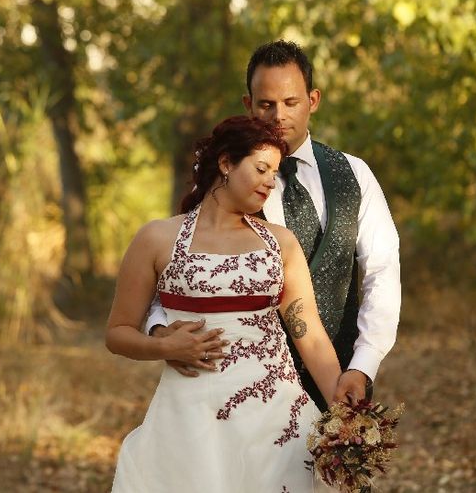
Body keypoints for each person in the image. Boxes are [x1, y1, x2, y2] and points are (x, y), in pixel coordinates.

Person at [148, 40, 402, 410]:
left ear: (313, 100)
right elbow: (178, 263)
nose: (278, 116)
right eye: (266, 104)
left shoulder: (355, 174)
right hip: (242, 386)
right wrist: (160, 333)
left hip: (338, 377)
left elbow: (382, 271)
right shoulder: (222, 178)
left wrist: (363, 365)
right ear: (248, 104)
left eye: (291, 102)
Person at [106, 116, 342, 492]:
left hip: (277, 416)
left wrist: (345, 416)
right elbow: (117, 334)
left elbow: (309, 335)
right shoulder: (156, 238)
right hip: (192, 417)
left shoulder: (281, 245)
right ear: (227, 163)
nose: (269, 182)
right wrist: (163, 346)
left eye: (275, 173)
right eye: (261, 168)